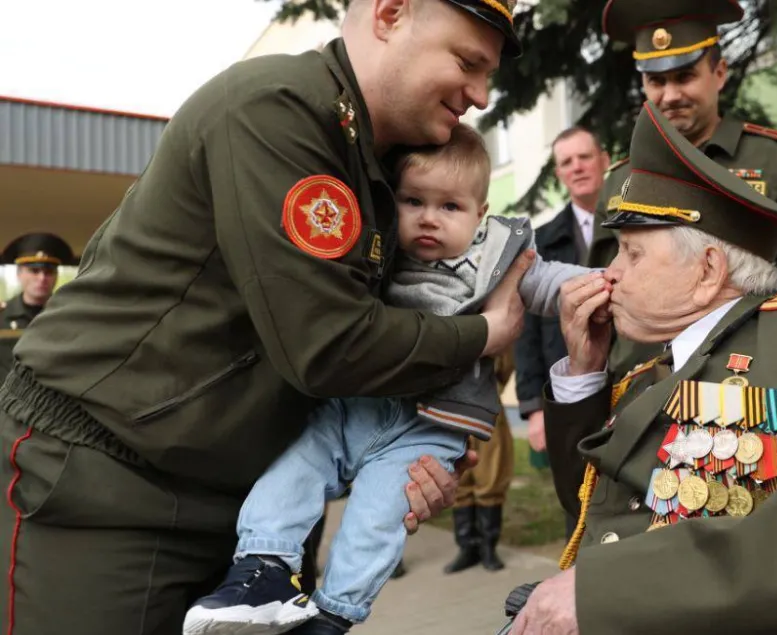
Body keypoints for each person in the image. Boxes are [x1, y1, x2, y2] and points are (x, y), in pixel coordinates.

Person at [0, 1, 525, 633]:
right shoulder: (276, 112)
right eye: (467, 62)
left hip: (251, 497)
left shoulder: (390, 161)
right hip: (109, 484)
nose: (480, 93)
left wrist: (415, 446)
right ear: (390, 13)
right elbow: (330, 346)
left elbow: (387, 334)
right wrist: (488, 331)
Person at [509, 100, 777, 634]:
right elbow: (592, 511)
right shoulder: (650, 370)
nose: (609, 274)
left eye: (632, 255)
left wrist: (608, 589)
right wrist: (583, 372)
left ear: (708, 271)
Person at [184, 124, 589, 635]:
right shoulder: (376, 250)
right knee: (293, 468)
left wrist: (603, 285)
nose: (428, 219)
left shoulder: (498, 256)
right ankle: (262, 568)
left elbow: (550, 280)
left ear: (480, 215)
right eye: (413, 200)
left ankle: (332, 616)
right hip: (354, 404)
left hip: (427, 429)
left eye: (450, 207)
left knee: (376, 520)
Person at [587, 0, 777, 380]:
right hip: (643, 389)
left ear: (719, 73)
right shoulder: (620, 180)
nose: (670, 95)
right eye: (657, 81)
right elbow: (606, 293)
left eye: (685, 76)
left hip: (748, 388)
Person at [513, 126, 610, 540]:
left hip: (626, 382)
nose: (577, 167)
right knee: (578, 495)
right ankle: (580, 581)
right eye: (567, 162)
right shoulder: (544, 241)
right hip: (571, 393)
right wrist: (535, 407)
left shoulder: (634, 225)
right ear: (559, 174)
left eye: (584, 157)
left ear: (604, 161)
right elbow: (526, 331)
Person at [442, 347, 516, 574]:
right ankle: (467, 547)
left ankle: (488, 547)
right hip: (450, 407)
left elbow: (505, 365)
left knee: (491, 476)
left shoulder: (492, 315)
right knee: (457, 478)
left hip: (487, 405)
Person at [0, 232, 75, 329]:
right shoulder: (3, 315)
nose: (42, 278)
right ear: (19, 274)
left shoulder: (69, 314)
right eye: (34, 271)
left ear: (56, 276)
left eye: (48, 272)